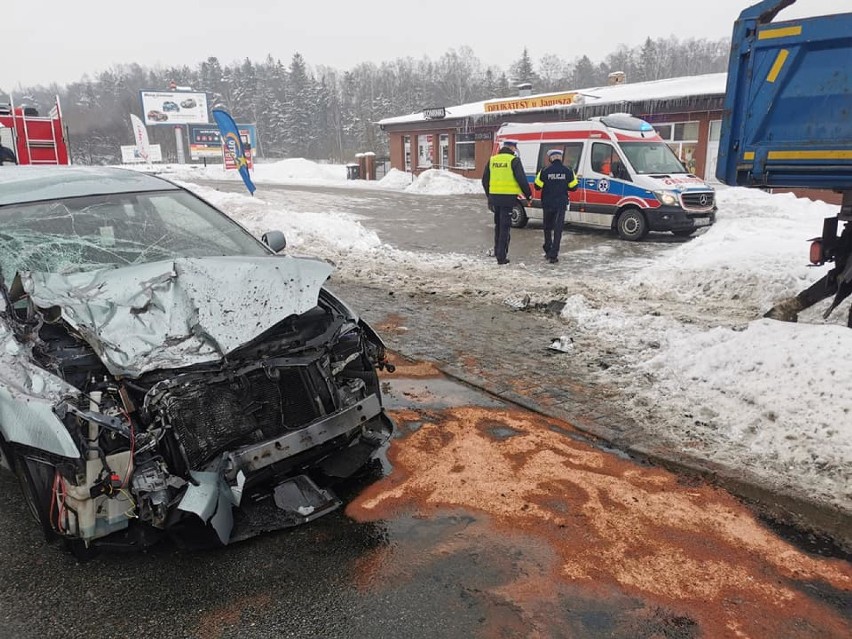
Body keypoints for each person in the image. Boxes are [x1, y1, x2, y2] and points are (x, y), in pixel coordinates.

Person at [481, 139, 532, 265]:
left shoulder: (493, 160)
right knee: (505, 227)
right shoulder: (513, 160)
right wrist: (528, 195)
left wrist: (490, 195)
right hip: (508, 199)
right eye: (515, 148)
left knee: (498, 226)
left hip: (495, 199)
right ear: (512, 148)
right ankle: (502, 257)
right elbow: (521, 179)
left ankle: (497, 251)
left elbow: (484, 180)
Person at [534, 149, 579, 263]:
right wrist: (563, 186)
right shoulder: (568, 170)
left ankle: (548, 250)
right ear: (560, 158)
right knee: (558, 229)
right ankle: (554, 255)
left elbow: (537, 186)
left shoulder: (544, 170)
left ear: (551, 158)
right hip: (561, 204)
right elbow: (574, 187)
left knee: (547, 228)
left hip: (547, 203)